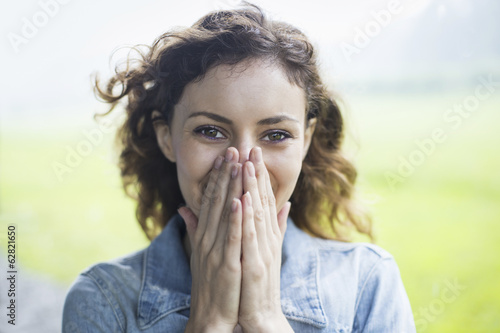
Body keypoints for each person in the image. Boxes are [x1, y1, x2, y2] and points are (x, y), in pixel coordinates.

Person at [63, 4, 416, 332]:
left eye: (276, 135)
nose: (243, 162)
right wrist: (210, 322)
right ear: (167, 138)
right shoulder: (102, 301)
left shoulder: (368, 282)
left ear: (305, 141)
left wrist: (264, 320)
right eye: (210, 131)